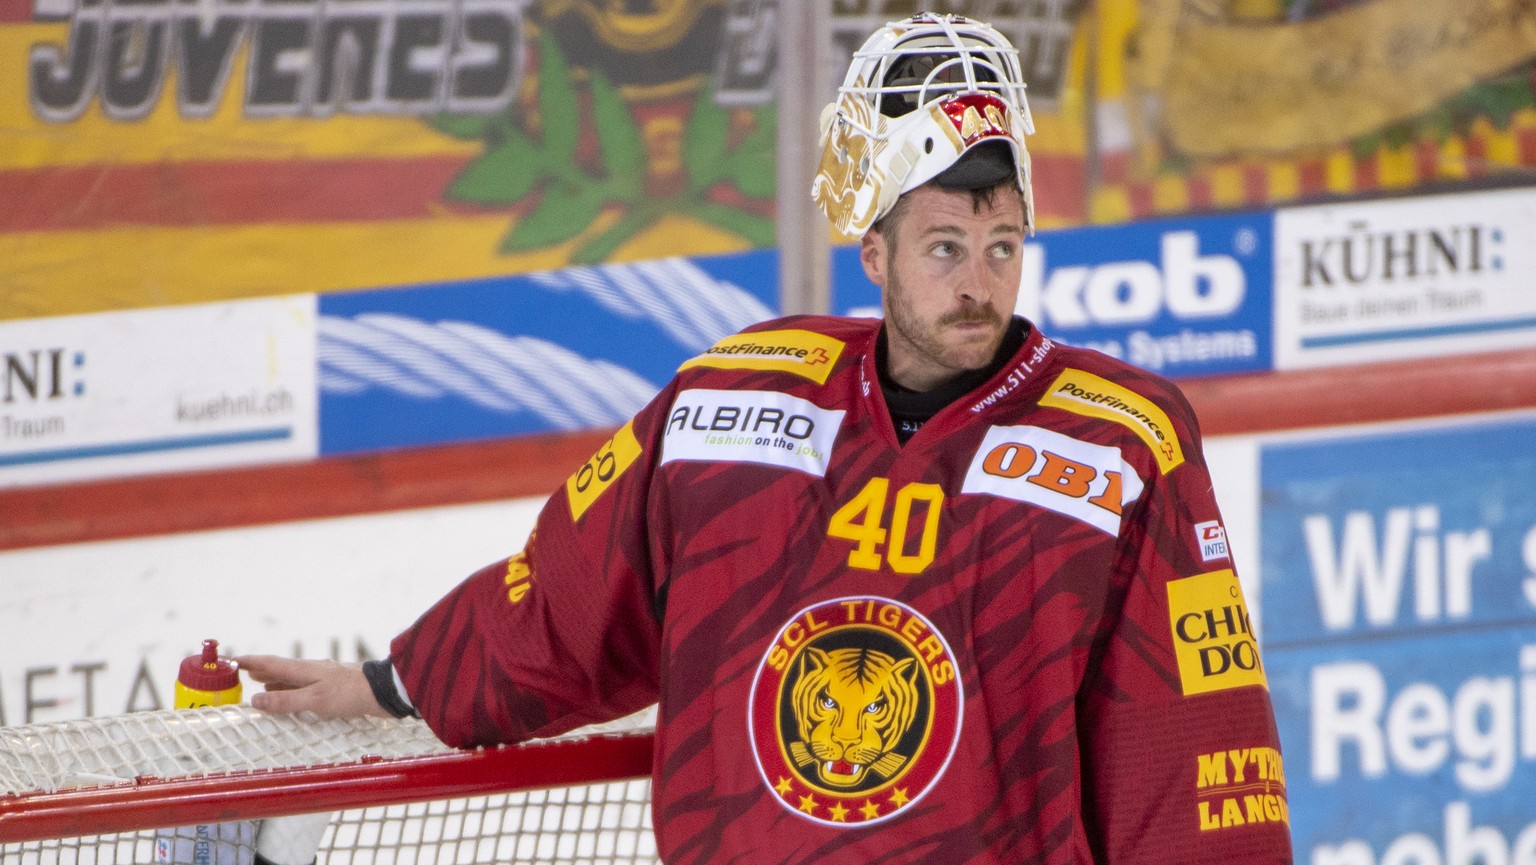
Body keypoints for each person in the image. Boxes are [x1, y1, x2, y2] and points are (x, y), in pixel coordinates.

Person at [239, 12, 1293, 864]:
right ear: (873, 253)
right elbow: (563, 603)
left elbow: (1191, 746)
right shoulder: (730, 401)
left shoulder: (1122, 444)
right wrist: (390, 684)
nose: (978, 281)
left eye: (1001, 243)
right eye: (942, 245)